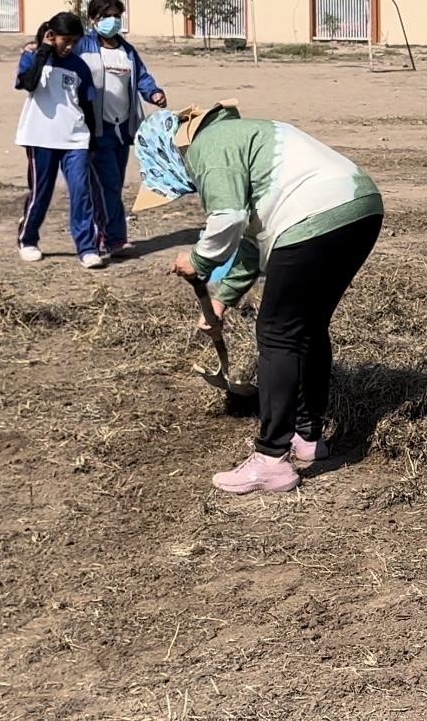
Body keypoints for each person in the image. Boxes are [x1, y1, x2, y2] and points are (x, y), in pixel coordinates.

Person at [136, 102, 384, 495]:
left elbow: (228, 220)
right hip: (359, 207)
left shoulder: (206, 148)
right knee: (309, 324)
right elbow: (250, 242)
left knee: (277, 333)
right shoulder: (238, 139)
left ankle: (271, 460)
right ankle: (308, 438)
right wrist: (221, 301)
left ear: (165, 152)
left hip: (312, 215)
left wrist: (198, 260)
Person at [77, 0, 168, 257]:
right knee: (108, 183)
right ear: (94, 19)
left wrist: (154, 93)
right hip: (97, 128)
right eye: (107, 16)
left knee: (113, 183)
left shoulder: (127, 50)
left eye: (117, 16)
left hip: (122, 129)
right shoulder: (83, 47)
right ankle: (110, 238)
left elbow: (142, 77)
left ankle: (111, 236)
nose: (113, 21)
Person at [14, 13, 106, 269]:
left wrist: (92, 141)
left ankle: (87, 247)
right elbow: (28, 83)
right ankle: (28, 240)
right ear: (52, 36)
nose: (69, 47)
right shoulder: (32, 56)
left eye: (75, 42)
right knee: (41, 193)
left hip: (75, 138)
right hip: (40, 137)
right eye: (66, 40)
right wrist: (43, 50)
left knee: (81, 192)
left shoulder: (80, 66)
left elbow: (86, 105)